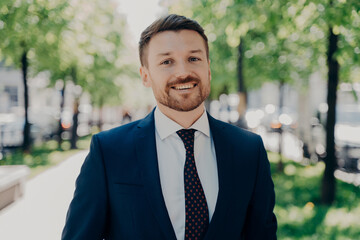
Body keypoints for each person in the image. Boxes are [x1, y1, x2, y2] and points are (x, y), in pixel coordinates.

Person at [62, 14, 277, 240]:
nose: (183, 72)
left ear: (209, 69)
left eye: (194, 59)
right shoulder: (108, 151)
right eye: (166, 62)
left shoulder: (249, 150)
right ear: (145, 76)